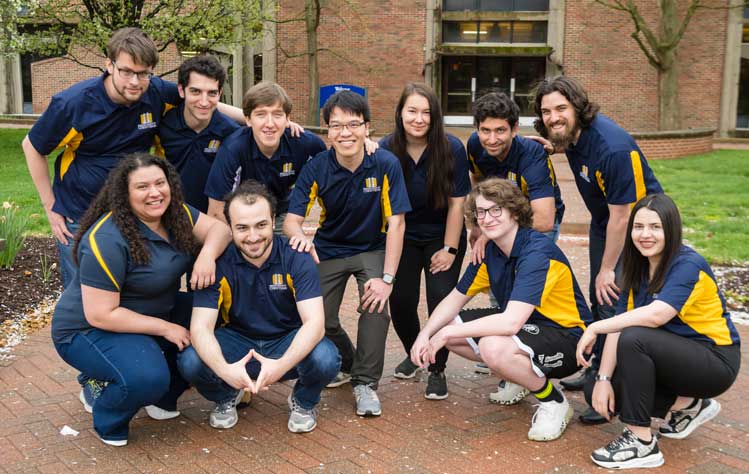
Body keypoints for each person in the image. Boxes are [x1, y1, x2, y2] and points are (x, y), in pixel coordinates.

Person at [50, 153, 231, 446]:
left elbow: (220, 229)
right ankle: (106, 410)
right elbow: (101, 315)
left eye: (161, 183)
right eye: (142, 187)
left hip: (153, 311)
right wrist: (165, 328)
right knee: (146, 377)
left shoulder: (176, 215)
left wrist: (206, 256)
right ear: (124, 193)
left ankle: (163, 398)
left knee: (218, 317)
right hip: (88, 329)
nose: (155, 193)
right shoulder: (107, 239)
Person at [411, 178, 592, 442]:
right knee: (451, 329)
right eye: (481, 212)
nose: (487, 218)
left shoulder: (537, 252)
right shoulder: (490, 250)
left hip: (568, 337)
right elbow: (455, 298)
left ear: (515, 212)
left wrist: (446, 334)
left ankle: (553, 402)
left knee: (492, 346)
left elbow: (510, 323)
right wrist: (426, 333)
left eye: (496, 210)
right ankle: (519, 376)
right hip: (528, 327)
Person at [576, 194, 740, 469]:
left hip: (715, 361)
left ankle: (641, 442)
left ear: (671, 229)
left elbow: (657, 315)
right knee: (596, 387)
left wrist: (594, 326)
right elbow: (620, 322)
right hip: (674, 355)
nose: (645, 234)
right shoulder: (636, 266)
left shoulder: (687, 264)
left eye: (655, 227)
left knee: (635, 338)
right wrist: (603, 378)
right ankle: (690, 406)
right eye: (639, 227)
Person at [532, 76, 662, 424]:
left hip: (639, 227)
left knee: (615, 301)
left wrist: (607, 269)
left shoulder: (613, 147)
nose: (553, 116)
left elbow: (624, 217)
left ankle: (609, 391)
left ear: (577, 106)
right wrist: (543, 146)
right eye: (546, 111)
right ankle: (593, 371)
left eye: (561, 108)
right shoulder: (574, 138)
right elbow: (566, 146)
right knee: (599, 300)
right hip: (607, 223)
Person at [22, 28, 180, 289]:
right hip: (79, 214)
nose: (135, 81)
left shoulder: (155, 93)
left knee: (132, 292)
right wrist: (50, 207)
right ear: (109, 65)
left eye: (143, 74)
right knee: (82, 296)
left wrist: (252, 117)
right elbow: (32, 146)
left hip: (133, 213)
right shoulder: (73, 103)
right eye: (127, 71)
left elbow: (201, 100)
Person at [284, 90, 410, 417]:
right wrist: (300, 238)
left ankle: (365, 383)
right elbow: (292, 222)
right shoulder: (317, 168)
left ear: (367, 128)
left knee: (377, 303)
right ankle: (350, 362)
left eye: (353, 124)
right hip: (329, 248)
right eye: (336, 126)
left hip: (372, 247)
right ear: (327, 131)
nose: (345, 132)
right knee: (316, 318)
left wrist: (387, 279)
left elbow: (396, 224)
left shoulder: (384, 163)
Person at [177, 181, 340, 433]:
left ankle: (304, 401)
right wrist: (225, 372)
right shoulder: (215, 263)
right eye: (242, 227)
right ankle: (226, 395)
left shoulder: (296, 256)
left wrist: (280, 366)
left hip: (285, 340)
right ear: (229, 227)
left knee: (327, 358)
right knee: (190, 361)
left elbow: (315, 324)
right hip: (236, 341)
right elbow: (200, 328)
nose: (253, 236)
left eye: (261, 225)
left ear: (273, 220)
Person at [467, 91, 566, 400]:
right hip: (500, 223)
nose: (492, 138)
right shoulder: (474, 145)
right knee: (499, 294)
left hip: (534, 226)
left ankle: (534, 364)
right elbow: (475, 181)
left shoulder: (532, 155)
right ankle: (511, 370)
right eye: (485, 130)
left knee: (528, 299)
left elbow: (545, 218)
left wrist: (491, 232)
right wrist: (478, 225)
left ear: (513, 129)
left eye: (500, 130)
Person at [378, 83, 470, 400]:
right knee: (401, 303)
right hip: (402, 235)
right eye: (412, 111)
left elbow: (458, 203)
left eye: (426, 113)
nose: (418, 119)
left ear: (435, 116)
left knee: (439, 301)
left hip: (443, 235)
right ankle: (416, 351)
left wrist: (449, 249)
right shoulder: (385, 148)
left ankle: (437, 368)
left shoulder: (452, 148)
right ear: (400, 113)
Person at [204, 81, 326, 232]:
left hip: (284, 213)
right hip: (245, 217)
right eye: (261, 115)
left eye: (277, 115)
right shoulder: (233, 149)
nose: (270, 123)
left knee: (287, 251)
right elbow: (216, 211)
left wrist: (363, 143)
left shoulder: (306, 144)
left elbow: (336, 162)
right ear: (248, 119)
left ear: (287, 119)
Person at [156, 55, 239, 213]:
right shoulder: (163, 125)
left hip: (215, 220)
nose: (203, 101)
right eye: (195, 91)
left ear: (220, 93)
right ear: (181, 90)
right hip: (172, 217)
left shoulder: (231, 132)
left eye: (212, 93)